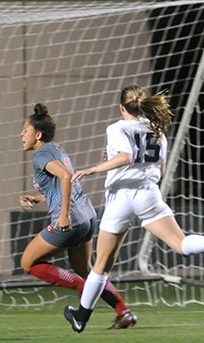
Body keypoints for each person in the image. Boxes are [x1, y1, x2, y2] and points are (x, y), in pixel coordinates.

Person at [63, 84, 204, 333]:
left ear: (121, 107)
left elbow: (126, 156)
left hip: (121, 197)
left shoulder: (117, 127)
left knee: (101, 264)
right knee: (180, 244)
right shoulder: (158, 129)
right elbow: (160, 169)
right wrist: (117, 161)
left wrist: (91, 169)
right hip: (149, 194)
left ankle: (81, 317)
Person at [20, 103, 137, 330]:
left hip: (70, 221)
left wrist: (63, 216)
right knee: (87, 270)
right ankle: (124, 312)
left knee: (28, 262)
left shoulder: (41, 155)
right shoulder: (56, 148)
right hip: (87, 217)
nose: (21, 134)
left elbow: (65, 177)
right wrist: (38, 198)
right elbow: (65, 183)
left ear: (38, 134)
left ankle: (84, 291)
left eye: (25, 129)